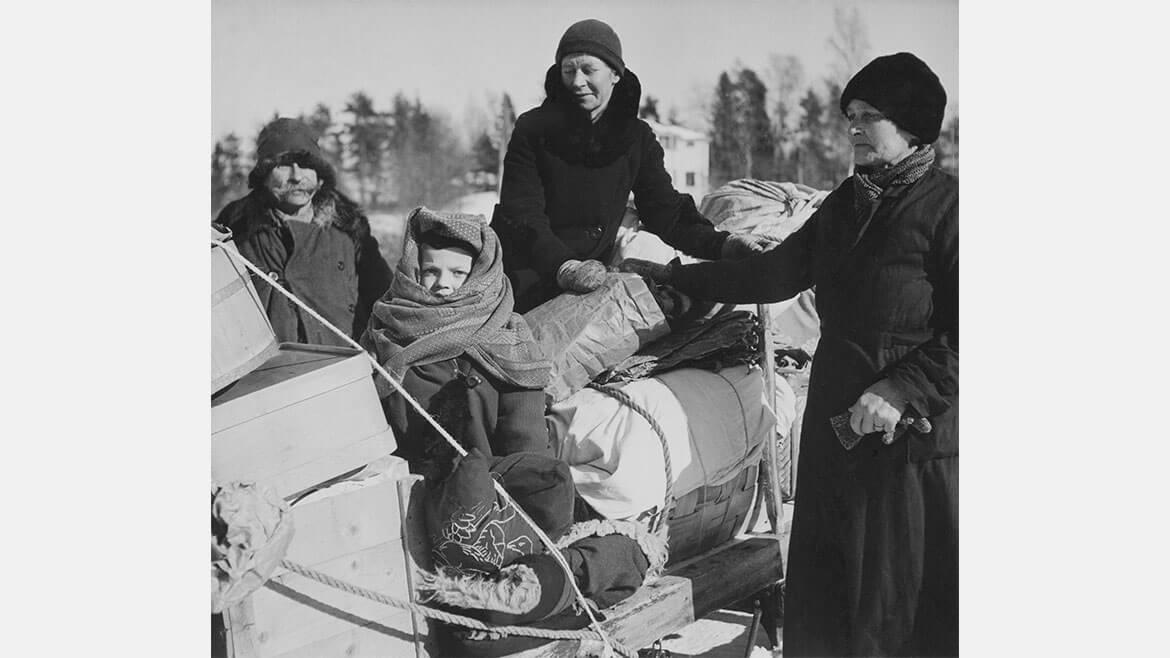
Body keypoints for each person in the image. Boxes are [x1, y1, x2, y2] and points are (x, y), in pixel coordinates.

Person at [622, 52, 958, 657]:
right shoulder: (846, 205)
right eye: (848, 115)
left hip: (910, 440)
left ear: (911, 124)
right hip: (837, 423)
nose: (853, 127)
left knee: (897, 602)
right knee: (830, 595)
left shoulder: (950, 210)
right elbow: (772, 275)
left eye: (869, 115)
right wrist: (674, 276)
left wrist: (901, 390)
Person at [492, 18, 773, 312]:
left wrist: (723, 245)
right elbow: (522, 213)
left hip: (591, 276)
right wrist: (564, 267)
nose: (577, 81)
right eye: (568, 70)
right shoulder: (534, 130)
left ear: (614, 74)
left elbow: (668, 213)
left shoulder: (635, 138)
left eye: (588, 70)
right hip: (528, 268)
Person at [361, 207, 554, 470]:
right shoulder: (387, 328)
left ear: (480, 275)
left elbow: (528, 450)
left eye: (458, 273)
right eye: (431, 271)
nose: (443, 283)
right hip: (407, 486)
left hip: (488, 492)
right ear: (414, 271)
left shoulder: (509, 337)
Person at [215, 117, 392, 346]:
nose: (297, 176)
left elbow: (386, 304)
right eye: (284, 164)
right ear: (264, 174)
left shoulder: (349, 230)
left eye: (306, 165)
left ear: (320, 177)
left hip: (344, 369)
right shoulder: (234, 233)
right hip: (271, 375)